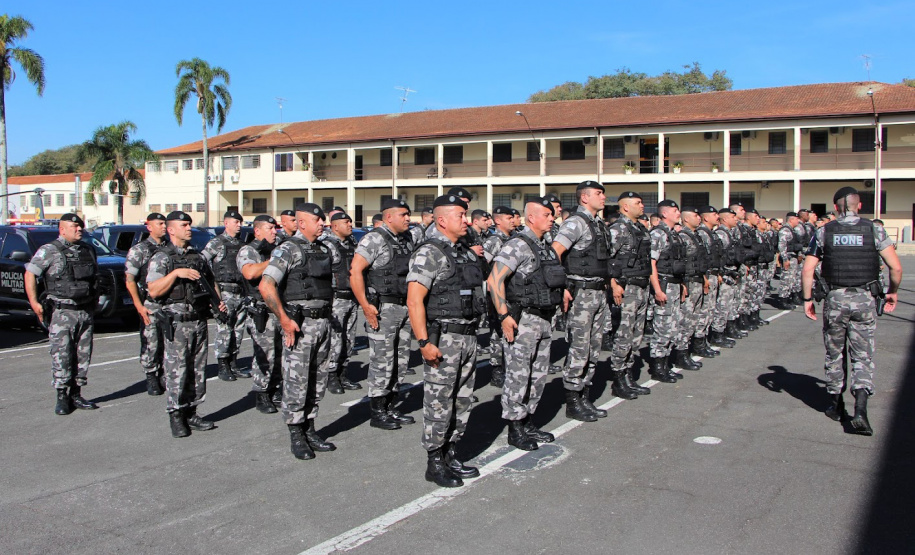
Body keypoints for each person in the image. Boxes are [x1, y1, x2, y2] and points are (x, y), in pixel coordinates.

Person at [801, 186, 902, 436]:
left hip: (835, 299)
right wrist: (892, 291)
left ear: (835, 207)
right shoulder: (874, 229)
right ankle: (860, 410)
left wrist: (807, 299)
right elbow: (896, 268)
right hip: (865, 299)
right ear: (859, 206)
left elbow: (807, 269)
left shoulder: (824, 231)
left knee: (835, 353)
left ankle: (835, 406)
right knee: (862, 355)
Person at [407, 194, 487, 487]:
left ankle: (452, 452)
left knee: (462, 400)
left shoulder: (465, 252)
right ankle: (435, 460)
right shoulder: (429, 253)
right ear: (442, 220)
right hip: (444, 338)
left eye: (466, 215)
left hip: (468, 337)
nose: (466, 220)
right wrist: (424, 342)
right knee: (439, 401)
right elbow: (414, 301)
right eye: (460, 216)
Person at [259, 203, 337, 459]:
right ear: (302, 223)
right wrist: (283, 319)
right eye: (318, 220)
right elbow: (266, 285)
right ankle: (296, 434)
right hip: (299, 325)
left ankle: (310, 428)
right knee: (297, 381)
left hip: (323, 323)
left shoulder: (323, 249)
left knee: (318, 379)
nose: (323, 223)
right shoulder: (288, 249)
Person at [487, 198, 563, 450]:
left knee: (538, 375)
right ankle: (515, 427)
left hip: (543, 318)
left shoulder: (545, 245)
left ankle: (528, 420)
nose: (552, 218)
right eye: (546, 214)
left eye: (552, 215)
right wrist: (504, 316)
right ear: (531, 217)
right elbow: (494, 279)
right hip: (524, 319)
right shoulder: (518, 245)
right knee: (519, 376)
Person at [146, 211, 221, 437]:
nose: (189, 228)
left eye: (189, 224)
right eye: (184, 225)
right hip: (177, 324)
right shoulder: (162, 258)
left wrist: (219, 303)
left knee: (198, 371)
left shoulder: (197, 257)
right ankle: (176, 414)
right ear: (171, 230)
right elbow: (153, 289)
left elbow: (210, 281)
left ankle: (192, 412)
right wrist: (176, 274)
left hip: (198, 320)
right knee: (177, 371)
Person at [350, 198, 416, 430]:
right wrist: (365, 306)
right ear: (389, 217)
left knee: (401, 359)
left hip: (405, 307)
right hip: (384, 309)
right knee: (382, 361)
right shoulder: (374, 239)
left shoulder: (409, 239)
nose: (408, 218)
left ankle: (391, 406)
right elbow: (355, 271)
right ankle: (378, 411)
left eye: (408, 214)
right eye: (403, 214)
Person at [25, 213, 100, 415]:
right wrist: (34, 302)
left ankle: (76, 394)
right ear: (62, 229)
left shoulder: (88, 250)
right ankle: (61, 396)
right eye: (73, 227)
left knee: (82, 355)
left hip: (85, 311)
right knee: (62, 355)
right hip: (62, 312)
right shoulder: (49, 251)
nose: (79, 229)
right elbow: (30, 273)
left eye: (80, 227)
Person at [551, 181, 612, 421]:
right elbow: (555, 252)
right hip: (581, 293)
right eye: (599, 193)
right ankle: (573, 400)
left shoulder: (598, 224)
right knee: (579, 348)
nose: (604, 197)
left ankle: (585, 395)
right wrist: (562, 286)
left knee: (593, 348)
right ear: (584, 198)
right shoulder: (576, 222)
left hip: (598, 291)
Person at [606, 191, 655, 395]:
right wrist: (614, 284)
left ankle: (628, 375)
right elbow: (607, 259)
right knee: (624, 335)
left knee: (636, 335)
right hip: (626, 288)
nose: (642, 206)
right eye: (638, 203)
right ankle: (619, 379)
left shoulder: (639, 229)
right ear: (625, 207)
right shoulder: (617, 229)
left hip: (641, 286)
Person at [237, 215, 283, 414]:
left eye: (275, 228)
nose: (275, 231)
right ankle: (262, 393)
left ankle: (276, 389)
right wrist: (273, 261)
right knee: (265, 354)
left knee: (281, 352)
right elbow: (249, 273)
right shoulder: (249, 250)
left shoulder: (278, 247)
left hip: (279, 307)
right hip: (261, 310)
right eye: (270, 228)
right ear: (257, 231)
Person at [649, 199, 698, 380]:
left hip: (675, 284)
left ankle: (666, 363)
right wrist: (657, 290)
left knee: (673, 325)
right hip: (664, 285)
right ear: (664, 214)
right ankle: (657, 367)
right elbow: (651, 264)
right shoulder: (658, 234)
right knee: (663, 327)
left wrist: (682, 284)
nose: (678, 213)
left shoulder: (673, 234)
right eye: (674, 210)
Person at [201, 210, 251, 381]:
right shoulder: (217, 243)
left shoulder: (242, 245)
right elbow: (202, 264)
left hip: (240, 291)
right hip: (224, 292)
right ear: (226, 223)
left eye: (240, 222)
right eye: (236, 222)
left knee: (238, 329)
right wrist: (214, 297)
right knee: (225, 329)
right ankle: (223, 364)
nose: (239, 225)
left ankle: (233, 363)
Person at [124, 212, 168, 396]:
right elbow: (130, 279)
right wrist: (139, 306)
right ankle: (151, 376)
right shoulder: (139, 250)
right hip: (150, 303)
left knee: (169, 340)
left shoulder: (170, 248)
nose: (164, 227)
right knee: (151, 341)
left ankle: (165, 374)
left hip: (169, 303)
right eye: (159, 224)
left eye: (165, 223)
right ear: (149, 227)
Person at [323, 212, 362, 393]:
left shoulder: (352, 244)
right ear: (335, 226)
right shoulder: (327, 245)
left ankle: (343, 373)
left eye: (350, 222)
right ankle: (331, 375)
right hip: (336, 299)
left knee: (349, 338)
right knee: (335, 339)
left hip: (351, 297)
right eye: (346, 222)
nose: (350, 225)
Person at [481, 206, 516, 386]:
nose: (513, 220)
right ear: (498, 221)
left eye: (513, 218)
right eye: (509, 218)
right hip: (496, 293)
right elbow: (483, 265)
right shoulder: (494, 241)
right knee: (497, 332)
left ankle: (507, 366)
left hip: (510, 293)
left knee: (509, 331)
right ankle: (497, 369)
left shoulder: (513, 239)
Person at [696, 206, 735, 350]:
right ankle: (699, 343)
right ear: (706, 217)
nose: (717, 217)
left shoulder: (710, 233)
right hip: (706, 276)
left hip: (713, 274)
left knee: (710, 309)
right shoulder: (703, 234)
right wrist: (705, 277)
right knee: (704, 310)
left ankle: (705, 340)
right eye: (714, 214)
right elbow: (702, 258)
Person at [679, 207, 716, 358]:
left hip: (698, 279)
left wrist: (705, 278)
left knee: (695, 317)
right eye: (695, 215)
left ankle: (694, 346)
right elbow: (680, 262)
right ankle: (682, 353)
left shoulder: (696, 235)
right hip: (689, 281)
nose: (698, 218)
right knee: (686, 319)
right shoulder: (682, 236)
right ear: (686, 219)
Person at [715, 208, 747, 341]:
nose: (736, 220)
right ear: (725, 219)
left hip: (733, 272)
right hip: (725, 273)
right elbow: (718, 256)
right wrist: (720, 273)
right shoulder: (721, 234)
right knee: (722, 305)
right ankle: (718, 334)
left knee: (730, 304)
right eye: (733, 217)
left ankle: (729, 329)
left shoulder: (730, 233)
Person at [776, 212, 804, 310]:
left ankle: (788, 298)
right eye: (796, 219)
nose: (798, 221)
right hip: (788, 257)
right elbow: (782, 245)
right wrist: (785, 259)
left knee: (791, 280)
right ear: (791, 220)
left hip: (793, 257)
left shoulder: (792, 230)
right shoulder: (785, 230)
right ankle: (783, 300)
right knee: (786, 280)